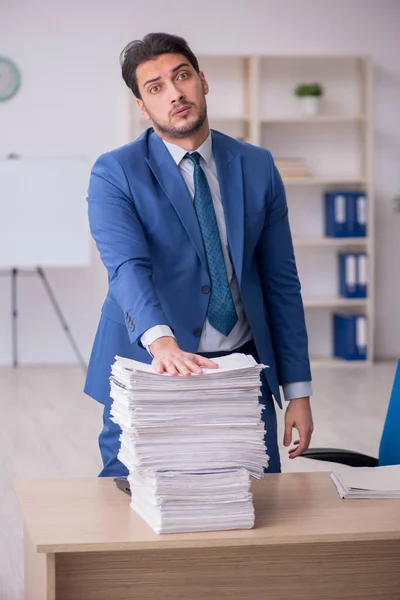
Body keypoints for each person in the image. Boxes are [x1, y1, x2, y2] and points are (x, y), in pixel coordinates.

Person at [85, 32, 314, 478]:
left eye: (182, 76)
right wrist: (163, 342)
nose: (174, 93)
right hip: (149, 367)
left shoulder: (257, 164)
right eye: (155, 87)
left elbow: (280, 281)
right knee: (133, 508)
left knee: (253, 505)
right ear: (142, 106)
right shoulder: (115, 172)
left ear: (202, 82)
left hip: (240, 370)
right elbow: (127, 268)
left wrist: (298, 391)